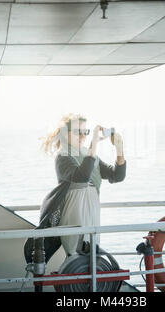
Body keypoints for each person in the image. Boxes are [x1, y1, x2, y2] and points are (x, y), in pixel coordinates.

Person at [24, 113, 126, 264]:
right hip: (74, 214)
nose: (83, 136)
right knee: (76, 255)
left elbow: (116, 176)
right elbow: (81, 177)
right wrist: (94, 145)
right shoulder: (63, 157)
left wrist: (119, 149)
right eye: (78, 132)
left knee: (92, 256)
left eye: (85, 132)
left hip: (92, 212)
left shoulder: (91, 156)